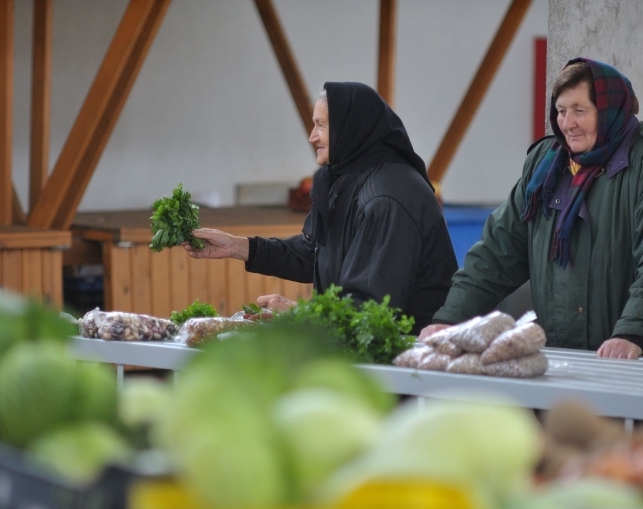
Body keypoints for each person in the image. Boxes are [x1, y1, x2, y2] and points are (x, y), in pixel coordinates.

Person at [419, 58, 643, 359]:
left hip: (640, 358)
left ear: (610, 111)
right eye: (561, 111)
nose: (567, 123)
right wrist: (450, 319)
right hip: (564, 360)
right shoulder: (546, 166)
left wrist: (635, 332)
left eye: (580, 111)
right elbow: (499, 251)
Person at [183, 81, 458, 334]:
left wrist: (299, 313)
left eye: (321, 126)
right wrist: (237, 246)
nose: (313, 137)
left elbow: (371, 311)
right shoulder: (344, 179)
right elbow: (314, 252)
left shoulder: (387, 200)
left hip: (411, 363)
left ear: (352, 128)